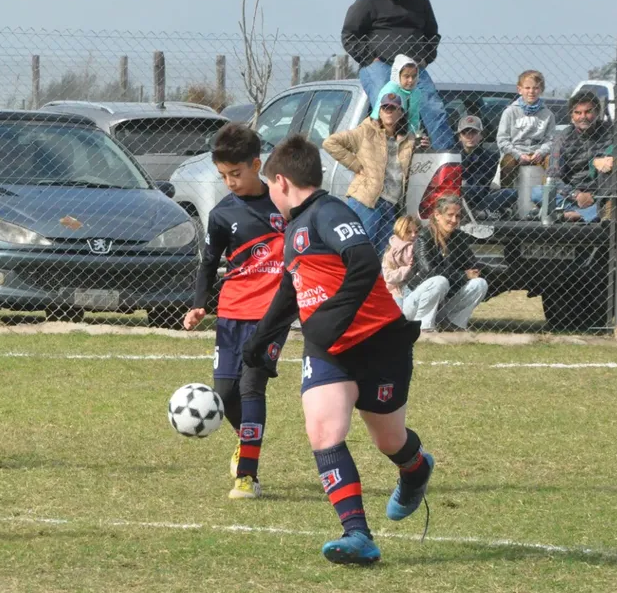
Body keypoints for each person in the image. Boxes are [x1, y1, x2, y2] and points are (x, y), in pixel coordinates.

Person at [242, 134, 433, 565]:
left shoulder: (330, 213)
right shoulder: (293, 230)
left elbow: (364, 262)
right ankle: (357, 535)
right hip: (329, 350)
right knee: (324, 432)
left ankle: (416, 467)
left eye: (271, 187)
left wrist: (331, 317)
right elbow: (291, 292)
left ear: (282, 181)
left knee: (389, 441)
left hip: (379, 341)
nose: (270, 196)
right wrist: (260, 341)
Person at [182, 123, 289, 500]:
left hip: (272, 314)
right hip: (232, 311)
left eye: (236, 174)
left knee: (251, 385)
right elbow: (209, 264)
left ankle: (248, 475)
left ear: (256, 164)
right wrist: (199, 304)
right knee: (225, 394)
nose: (229, 182)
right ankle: (248, 441)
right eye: (223, 176)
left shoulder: (284, 204)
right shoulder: (222, 215)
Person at [341, 0, 454, 149]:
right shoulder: (368, 2)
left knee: (433, 106)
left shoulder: (420, 1)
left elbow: (432, 35)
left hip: (411, 67)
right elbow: (349, 35)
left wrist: (425, 58)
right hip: (379, 64)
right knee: (386, 103)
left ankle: (446, 160)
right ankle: (388, 153)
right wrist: (369, 58)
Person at [323, 92, 416, 252]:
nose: (389, 111)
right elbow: (330, 142)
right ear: (379, 111)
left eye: (393, 108)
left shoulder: (408, 139)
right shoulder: (366, 131)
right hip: (366, 200)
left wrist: (422, 145)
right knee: (360, 250)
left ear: (400, 113)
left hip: (391, 204)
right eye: (385, 107)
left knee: (383, 255)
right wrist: (355, 164)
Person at [406, 195, 488, 331]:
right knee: (439, 281)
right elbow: (428, 271)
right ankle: (423, 327)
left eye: (458, 216)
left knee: (480, 284)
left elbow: (472, 264)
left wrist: (494, 271)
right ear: (437, 215)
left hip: (443, 302)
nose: (454, 220)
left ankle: (455, 325)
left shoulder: (459, 238)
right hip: (415, 301)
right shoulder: (424, 236)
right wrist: (463, 275)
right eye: (450, 215)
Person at [533, 91, 612, 219]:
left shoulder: (611, 133)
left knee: (615, 202)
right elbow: (553, 176)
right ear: (571, 116)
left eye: (588, 112)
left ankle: (571, 214)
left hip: (601, 195)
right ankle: (587, 215)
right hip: (573, 195)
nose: (583, 117)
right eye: (578, 113)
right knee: (537, 193)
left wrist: (594, 196)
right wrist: (576, 195)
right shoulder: (563, 138)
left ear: (597, 113)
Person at [496, 70, 556, 189]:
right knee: (507, 162)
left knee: (552, 161)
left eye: (536, 88)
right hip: (515, 152)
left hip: (538, 153)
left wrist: (541, 152)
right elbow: (502, 140)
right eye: (527, 88)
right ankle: (507, 196)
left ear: (541, 90)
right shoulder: (510, 112)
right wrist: (518, 155)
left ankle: (546, 194)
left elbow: (551, 140)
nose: (531, 91)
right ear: (520, 89)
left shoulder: (548, 114)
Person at [456, 115, 517, 218]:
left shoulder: (490, 157)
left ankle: (481, 213)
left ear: (481, 136)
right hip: (456, 198)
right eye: (465, 133)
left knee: (511, 193)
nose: (469, 136)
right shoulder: (452, 155)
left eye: (474, 132)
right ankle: (488, 213)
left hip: (479, 199)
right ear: (459, 137)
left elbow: (481, 187)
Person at [369, 54, 424, 138]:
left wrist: (412, 135)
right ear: (397, 75)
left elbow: (414, 118)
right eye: (406, 76)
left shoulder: (416, 92)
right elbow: (377, 118)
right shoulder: (390, 90)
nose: (411, 80)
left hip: (403, 131)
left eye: (414, 76)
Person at [382, 215, 420, 301]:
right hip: (396, 289)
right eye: (408, 232)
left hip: (416, 284)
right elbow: (388, 276)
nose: (413, 235)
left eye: (416, 231)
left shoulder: (420, 246)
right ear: (400, 232)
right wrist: (406, 269)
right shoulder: (391, 250)